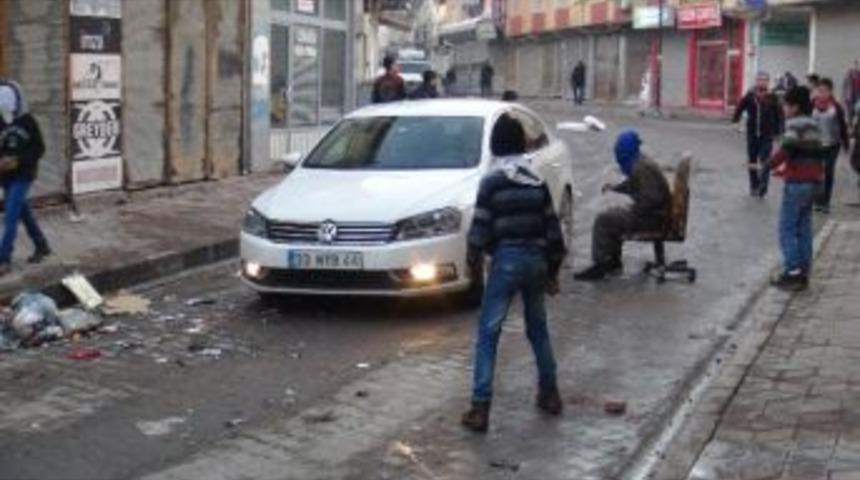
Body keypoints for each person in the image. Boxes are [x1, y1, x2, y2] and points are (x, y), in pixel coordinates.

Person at [461, 114, 566, 433]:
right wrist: (552, 272)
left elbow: (479, 231)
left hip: (505, 261)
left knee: (488, 333)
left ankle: (480, 408)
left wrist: (473, 267)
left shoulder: (492, 182)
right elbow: (554, 233)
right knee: (538, 329)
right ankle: (550, 394)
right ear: (521, 144)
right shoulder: (536, 182)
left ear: (495, 145)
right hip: (536, 261)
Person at [573, 130, 671, 282]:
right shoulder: (640, 161)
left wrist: (633, 211)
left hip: (651, 218)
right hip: (655, 215)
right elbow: (634, 185)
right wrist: (615, 188)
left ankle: (602, 263)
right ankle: (612, 262)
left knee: (603, 220)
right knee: (613, 215)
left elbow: (652, 200)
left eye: (619, 152)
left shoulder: (641, 167)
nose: (618, 157)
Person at [769, 86, 826, 290]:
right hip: (813, 183)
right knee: (803, 229)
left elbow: (787, 150)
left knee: (786, 229)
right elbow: (812, 154)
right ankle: (804, 271)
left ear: (795, 107)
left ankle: (792, 271)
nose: (784, 109)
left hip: (797, 184)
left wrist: (768, 165)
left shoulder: (794, 124)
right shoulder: (814, 124)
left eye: (786, 105)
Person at [0, 81, 51, 275]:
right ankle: (41, 245)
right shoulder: (0, 120)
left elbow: (39, 149)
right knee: (23, 212)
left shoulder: (28, 121)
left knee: (10, 217)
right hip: (5, 176)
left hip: (23, 175)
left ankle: (4, 259)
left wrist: (18, 160)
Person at [732, 72, 784, 198]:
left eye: (765, 80)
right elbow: (739, 108)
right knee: (752, 160)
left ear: (768, 82)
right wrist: (735, 121)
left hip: (767, 134)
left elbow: (779, 114)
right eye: (760, 80)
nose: (762, 82)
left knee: (765, 160)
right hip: (752, 134)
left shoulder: (772, 97)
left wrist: (779, 131)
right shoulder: (750, 96)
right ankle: (754, 185)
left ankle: (763, 186)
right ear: (756, 81)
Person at [811, 78, 850, 214]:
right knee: (816, 172)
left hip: (833, 144)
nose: (822, 94)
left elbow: (843, 126)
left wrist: (846, 144)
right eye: (820, 91)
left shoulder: (836, 107)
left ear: (830, 92)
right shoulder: (812, 105)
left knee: (828, 171)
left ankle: (825, 202)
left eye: (825, 91)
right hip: (816, 144)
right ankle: (817, 200)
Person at [843, 60, 860, 125]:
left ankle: (856, 124)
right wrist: (844, 97)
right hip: (849, 96)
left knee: (857, 110)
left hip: (858, 95)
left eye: (857, 65)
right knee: (850, 112)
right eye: (855, 65)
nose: (856, 67)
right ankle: (850, 126)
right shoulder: (848, 76)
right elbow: (844, 87)